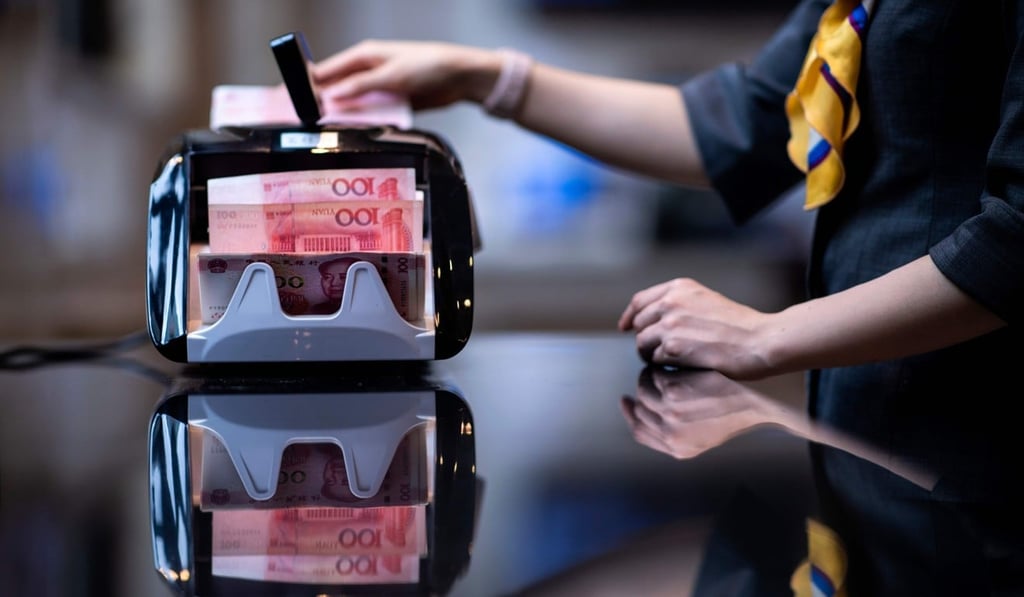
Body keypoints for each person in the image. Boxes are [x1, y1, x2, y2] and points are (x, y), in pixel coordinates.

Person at [312, 3, 1024, 592]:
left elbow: (1015, 241)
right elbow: (744, 124)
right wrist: (489, 78)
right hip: (874, 447)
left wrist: (763, 337)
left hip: (985, 462)